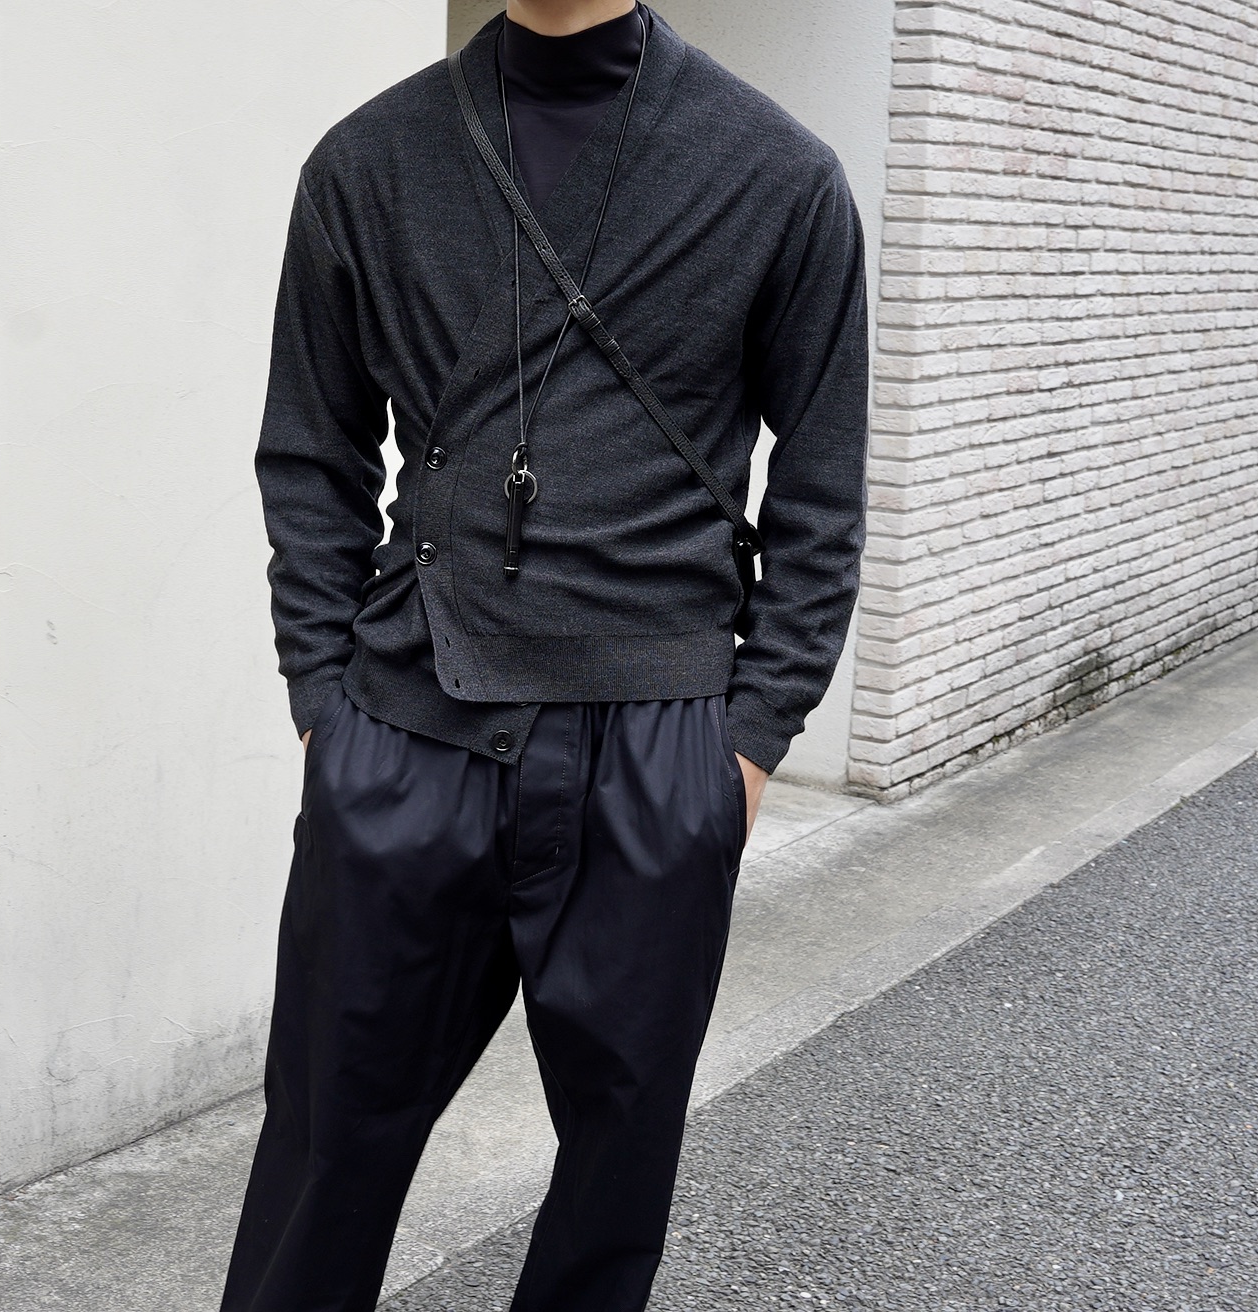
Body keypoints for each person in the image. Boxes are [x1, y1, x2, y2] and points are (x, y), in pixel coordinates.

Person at [223, 1, 868, 1307]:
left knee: (614, 1180)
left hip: (656, 745)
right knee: (322, 1151)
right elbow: (313, 451)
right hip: (404, 727)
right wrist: (323, 705)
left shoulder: (778, 176)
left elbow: (821, 495)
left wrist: (745, 749)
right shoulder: (368, 162)